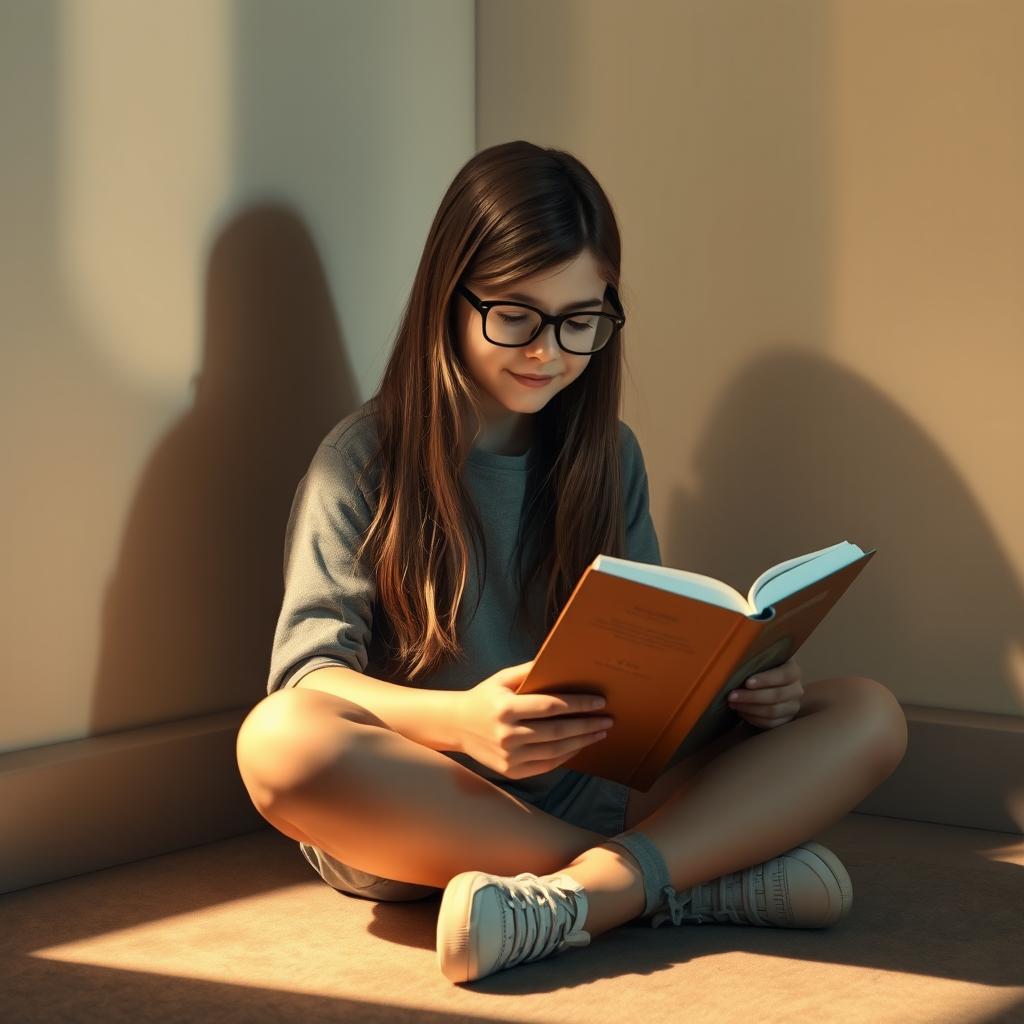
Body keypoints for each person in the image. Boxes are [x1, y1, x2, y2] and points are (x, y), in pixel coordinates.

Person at [236, 140, 908, 985]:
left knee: (867, 712)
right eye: (515, 316)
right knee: (276, 743)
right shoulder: (363, 459)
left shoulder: (605, 454)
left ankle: (585, 893)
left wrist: (742, 695)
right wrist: (463, 724)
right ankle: (663, 880)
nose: (548, 351)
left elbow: (651, 670)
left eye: (580, 320)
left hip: (594, 790)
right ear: (450, 298)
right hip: (418, 814)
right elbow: (307, 681)